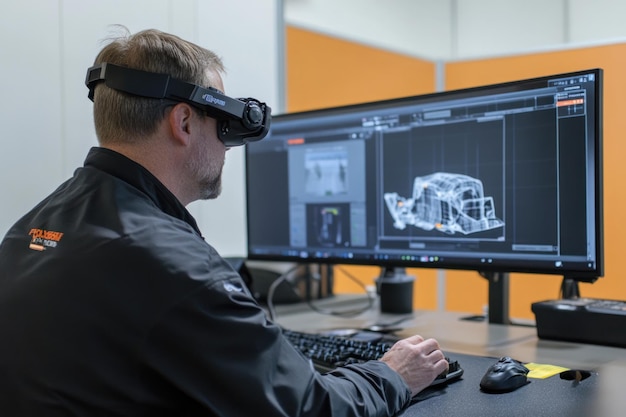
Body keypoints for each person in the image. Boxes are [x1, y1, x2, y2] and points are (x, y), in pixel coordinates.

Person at [0, 27, 448, 416]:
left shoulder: (30, 230)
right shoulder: (175, 265)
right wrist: (392, 373)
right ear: (184, 122)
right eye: (225, 128)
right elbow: (312, 409)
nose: (228, 149)